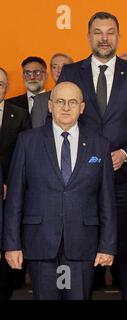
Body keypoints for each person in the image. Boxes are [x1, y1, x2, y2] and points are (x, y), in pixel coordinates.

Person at [58, 11, 127, 300]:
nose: (104, 38)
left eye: (110, 32)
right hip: (79, 180)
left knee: (125, 249)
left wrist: (126, 153)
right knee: (82, 248)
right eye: (98, 32)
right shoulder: (71, 73)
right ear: (89, 36)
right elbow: (62, 122)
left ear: (118, 35)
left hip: (124, 178)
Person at [3, 82, 117, 300]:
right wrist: (11, 244)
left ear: (82, 107)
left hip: (83, 244)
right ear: (50, 106)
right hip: (40, 242)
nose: (66, 107)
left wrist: (108, 246)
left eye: (72, 102)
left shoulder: (99, 144)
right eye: (60, 102)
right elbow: (15, 197)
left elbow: (107, 201)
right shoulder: (27, 141)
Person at [0, 67, 31, 299]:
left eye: (1, 84)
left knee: (8, 237)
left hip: (11, 189)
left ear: (7, 86)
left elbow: (25, 154)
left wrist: (12, 182)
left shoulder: (19, 114)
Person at [31, 53, 73, 128]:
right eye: (54, 67)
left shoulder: (84, 96)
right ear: (50, 71)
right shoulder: (40, 100)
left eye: (64, 66)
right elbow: (37, 132)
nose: (59, 70)